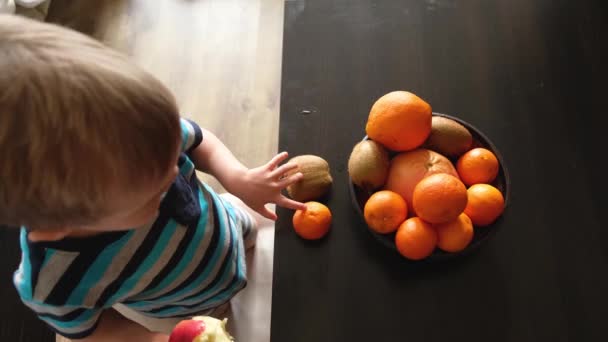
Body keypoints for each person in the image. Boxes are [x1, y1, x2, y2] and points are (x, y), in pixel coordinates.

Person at [0, 14, 305, 341]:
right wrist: (151, 339)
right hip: (189, 307)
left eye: (172, 153)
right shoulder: (53, 284)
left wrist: (238, 178)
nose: (175, 173)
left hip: (232, 225)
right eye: (154, 192)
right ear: (60, 224)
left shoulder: (138, 136)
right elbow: (93, 330)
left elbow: (200, 142)